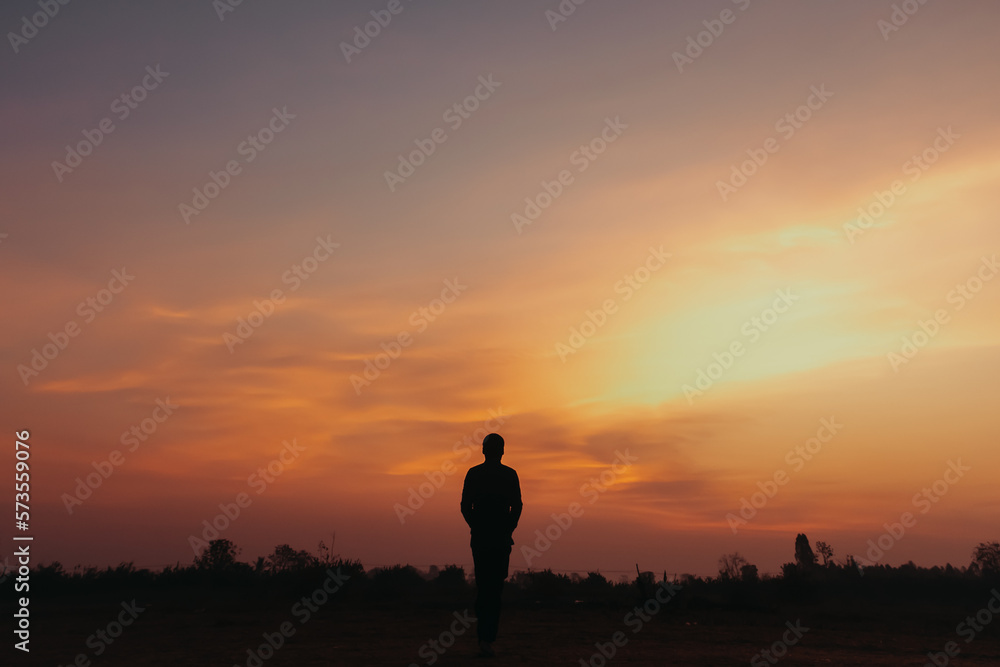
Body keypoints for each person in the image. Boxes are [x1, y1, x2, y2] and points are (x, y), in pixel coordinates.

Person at [460, 433, 522, 658]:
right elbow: (517, 507)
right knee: (493, 589)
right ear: (502, 451)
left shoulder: (475, 474)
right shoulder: (508, 475)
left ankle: (484, 638)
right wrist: (506, 529)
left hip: (486, 539)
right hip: (496, 539)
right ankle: (486, 638)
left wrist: (478, 526)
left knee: (487, 587)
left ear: (484, 451)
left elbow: (466, 506)